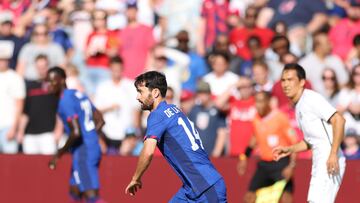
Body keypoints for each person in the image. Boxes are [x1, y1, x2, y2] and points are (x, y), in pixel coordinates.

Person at [125, 71, 227, 202]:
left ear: (155, 93)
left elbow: (148, 152)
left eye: (141, 92)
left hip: (206, 187)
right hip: (193, 188)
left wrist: (135, 178)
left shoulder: (157, 115)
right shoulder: (174, 109)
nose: (138, 97)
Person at [273, 63, 346, 203]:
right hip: (319, 162)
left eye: (290, 80)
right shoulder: (299, 106)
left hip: (330, 161)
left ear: (302, 82)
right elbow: (310, 141)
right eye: (283, 80)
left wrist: (333, 154)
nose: (285, 84)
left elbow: (339, 120)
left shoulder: (311, 98)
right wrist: (289, 149)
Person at [46, 67, 106, 203]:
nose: (49, 85)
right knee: (75, 190)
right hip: (89, 146)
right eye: (47, 82)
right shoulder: (78, 94)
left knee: (91, 194)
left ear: (61, 81)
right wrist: (91, 136)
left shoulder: (64, 101)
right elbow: (100, 120)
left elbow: (76, 132)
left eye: (52, 81)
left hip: (83, 150)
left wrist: (58, 154)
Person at [237, 91, 297, 203]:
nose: (258, 105)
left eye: (261, 101)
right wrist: (244, 158)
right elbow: (254, 139)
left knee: (286, 197)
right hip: (265, 163)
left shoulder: (280, 118)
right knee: (249, 196)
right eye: (256, 102)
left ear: (268, 102)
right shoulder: (256, 119)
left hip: (281, 162)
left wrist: (291, 166)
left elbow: (294, 143)